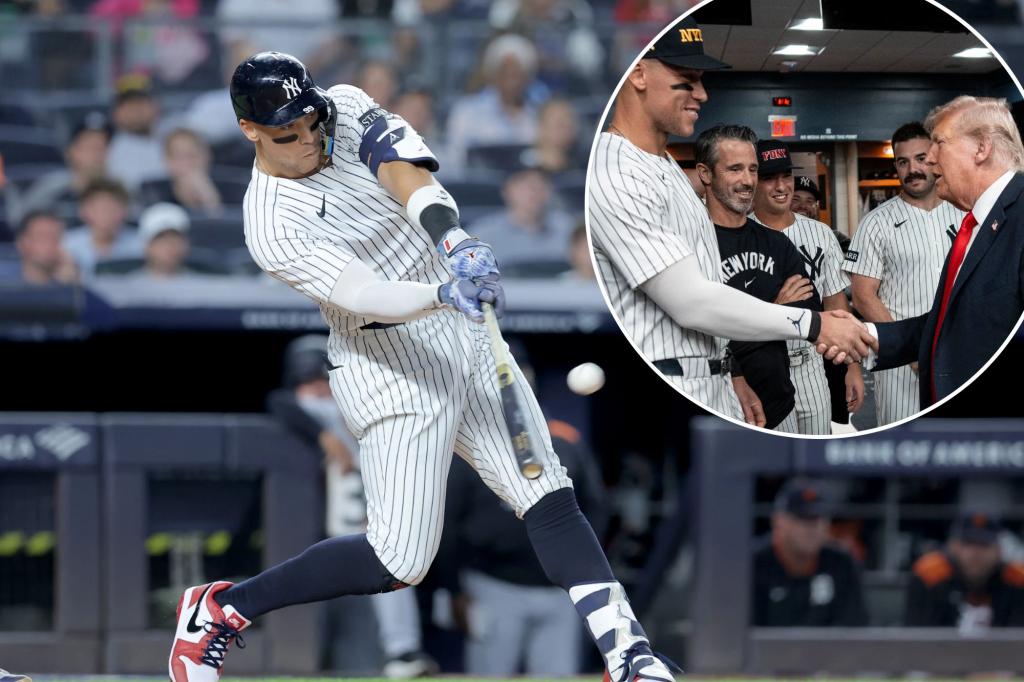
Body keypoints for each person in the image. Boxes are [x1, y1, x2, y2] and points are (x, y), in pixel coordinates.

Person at [168, 51, 676, 682]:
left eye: (311, 123)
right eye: (286, 133)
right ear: (250, 130)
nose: (307, 140)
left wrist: (453, 241)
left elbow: (407, 173)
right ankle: (222, 608)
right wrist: (439, 293)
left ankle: (629, 654)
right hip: (387, 362)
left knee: (546, 491)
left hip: (464, 332)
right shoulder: (269, 221)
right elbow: (363, 295)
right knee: (398, 559)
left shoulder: (346, 107)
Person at [587, 15, 872, 422]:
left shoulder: (663, 163)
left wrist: (731, 374)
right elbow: (691, 303)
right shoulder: (615, 170)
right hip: (670, 377)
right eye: (686, 80)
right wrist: (813, 324)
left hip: (710, 375)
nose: (701, 94)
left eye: (701, 81)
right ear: (638, 73)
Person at [266, 335, 436, 678]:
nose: (318, 389)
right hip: (312, 529)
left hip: (365, 527)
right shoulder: (304, 413)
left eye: (323, 380)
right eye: (309, 381)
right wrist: (324, 436)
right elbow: (280, 403)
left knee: (393, 575)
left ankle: (403, 653)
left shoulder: (365, 413)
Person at [436, 345, 609, 677]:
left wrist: (584, 570)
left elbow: (595, 508)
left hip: (559, 590)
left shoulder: (564, 440)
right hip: (492, 585)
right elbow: (449, 522)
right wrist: (453, 589)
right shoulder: (469, 440)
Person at [859, 96, 1024, 407]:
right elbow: (950, 322)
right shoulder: (974, 223)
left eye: (939, 144)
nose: (930, 159)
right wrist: (866, 335)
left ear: (981, 148)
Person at [695, 124, 817, 430]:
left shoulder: (776, 242)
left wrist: (740, 323)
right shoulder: (691, 245)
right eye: (735, 169)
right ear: (705, 173)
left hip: (781, 400)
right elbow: (698, 331)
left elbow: (809, 312)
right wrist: (775, 309)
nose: (748, 180)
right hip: (719, 401)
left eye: (752, 169)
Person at [843, 122, 965, 426]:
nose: (912, 169)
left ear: (935, 157)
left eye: (921, 158)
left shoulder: (965, 212)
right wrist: (909, 349)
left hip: (959, 350)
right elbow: (862, 295)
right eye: (902, 161)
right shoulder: (876, 222)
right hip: (900, 364)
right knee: (904, 444)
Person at [751, 140, 864, 434]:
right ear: (753, 181)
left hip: (810, 363)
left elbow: (837, 306)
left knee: (816, 451)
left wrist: (852, 368)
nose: (781, 186)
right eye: (768, 177)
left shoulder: (820, 232)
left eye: (785, 176)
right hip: (763, 365)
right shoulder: (740, 233)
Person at [752, 479, 868, 627]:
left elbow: (855, 627)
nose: (812, 528)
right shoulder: (753, 564)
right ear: (778, 521)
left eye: (818, 519)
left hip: (826, 650)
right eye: (803, 519)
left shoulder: (841, 563)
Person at [905, 512, 1024, 631]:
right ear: (952, 546)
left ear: (998, 550)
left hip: (1001, 649)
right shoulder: (931, 576)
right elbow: (916, 637)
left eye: (984, 544)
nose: (975, 553)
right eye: (968, 544)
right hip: (941, 649)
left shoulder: (1017, 580)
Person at [445, 33, 545, 172]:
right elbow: (455, 159)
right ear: (493, 74)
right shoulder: (466, 111)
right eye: (506, 73)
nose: (512, 82)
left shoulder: (538, 114)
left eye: (517, 74)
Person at [469, 164, 576, 273]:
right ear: (506, 191)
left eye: (541, 186)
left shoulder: (570, 230)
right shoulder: (482, 235)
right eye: (526, 186)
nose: (534, 193)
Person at [16, 112, 110, 221]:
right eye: (90, 146)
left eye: (103, 147)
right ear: (70, 152)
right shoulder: (53, 189)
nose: (97, 154)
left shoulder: (120, 191)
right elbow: (22, 221)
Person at [62, 177, 141, 277]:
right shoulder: (67, 246)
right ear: (84, 211)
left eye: (112, 208)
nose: (107, 215)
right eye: (101, 208)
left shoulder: (140, 246)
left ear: (125, 210)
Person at [106, 74, 167, 191]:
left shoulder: (173, 135)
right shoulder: (107, 149)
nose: (135, 110)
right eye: (128, 104)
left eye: (140, 102)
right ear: (115, 113)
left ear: (156, 106)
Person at [139, 128, 223, 213]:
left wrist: (209, 198)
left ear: (207, 156)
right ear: (166, 160)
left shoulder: (229, 185)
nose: (186, 163)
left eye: (192, 156)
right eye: (178, 157)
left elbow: (223, 222)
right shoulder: (153, 190)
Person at [8, 210, 79, 285]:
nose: (51, 243)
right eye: (43, 236)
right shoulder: (5, 286)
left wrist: (71, 287)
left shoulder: (75, 288)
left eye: (57, 237)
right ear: (21, 243)